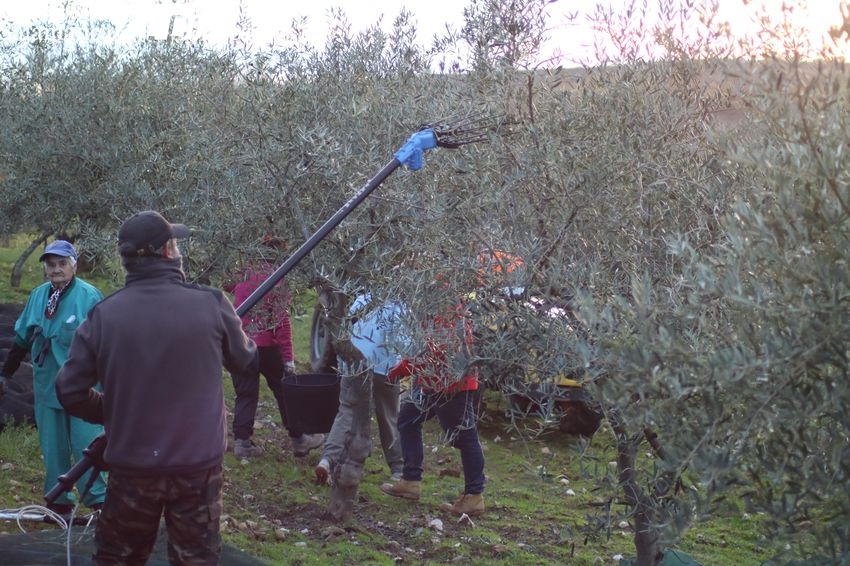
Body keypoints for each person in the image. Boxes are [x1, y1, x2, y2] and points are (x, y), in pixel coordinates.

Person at [55, 210, 258, 565]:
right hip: (198, 468)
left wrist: (112, 412)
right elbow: (245, 361)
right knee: (196, 559)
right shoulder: (211, 304)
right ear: (167, 251)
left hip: (131, 469)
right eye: (175, 243)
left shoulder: (104, 316)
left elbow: (70, 391)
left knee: (118, 559)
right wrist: (231, 327)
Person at [0, 239, 106, 516]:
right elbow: (22, 338)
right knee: (53, 445)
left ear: (73, 265)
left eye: (61, 263)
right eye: (51, 264)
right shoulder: (38, 295)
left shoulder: (89, 296)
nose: (56, 269)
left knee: (86, 443)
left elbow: (107, 344)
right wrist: (5, 374)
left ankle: (98, 502)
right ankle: (59, 503)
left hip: (84, 388)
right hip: (48, 385)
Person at [379, 294, 486, 517]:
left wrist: (401, 370)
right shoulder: (437, 294)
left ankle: (474, 496)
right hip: (432, 380)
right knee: (407, 419)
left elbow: (436, 349)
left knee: (464, 438)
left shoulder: (442, 300)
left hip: (451, 381)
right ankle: (410, 481)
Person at [226, 252, 324, 459]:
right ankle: (299, 439)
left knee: (245, 393)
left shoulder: (244, 273)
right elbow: (281, 321)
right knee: (283, 390)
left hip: (241, 341)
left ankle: (242, 443)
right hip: (266, 346)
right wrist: (288, 359)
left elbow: (228, 285)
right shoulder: (277, 278)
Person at [314, 293, 405, 485]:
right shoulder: (399, 307)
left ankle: (327, 460)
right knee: (388, 416)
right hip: (383, 368)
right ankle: (398, 468)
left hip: (352, 365)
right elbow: (404, 342)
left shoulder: (361, 299)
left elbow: (343, 335)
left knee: (346, 413)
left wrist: (342, 364)